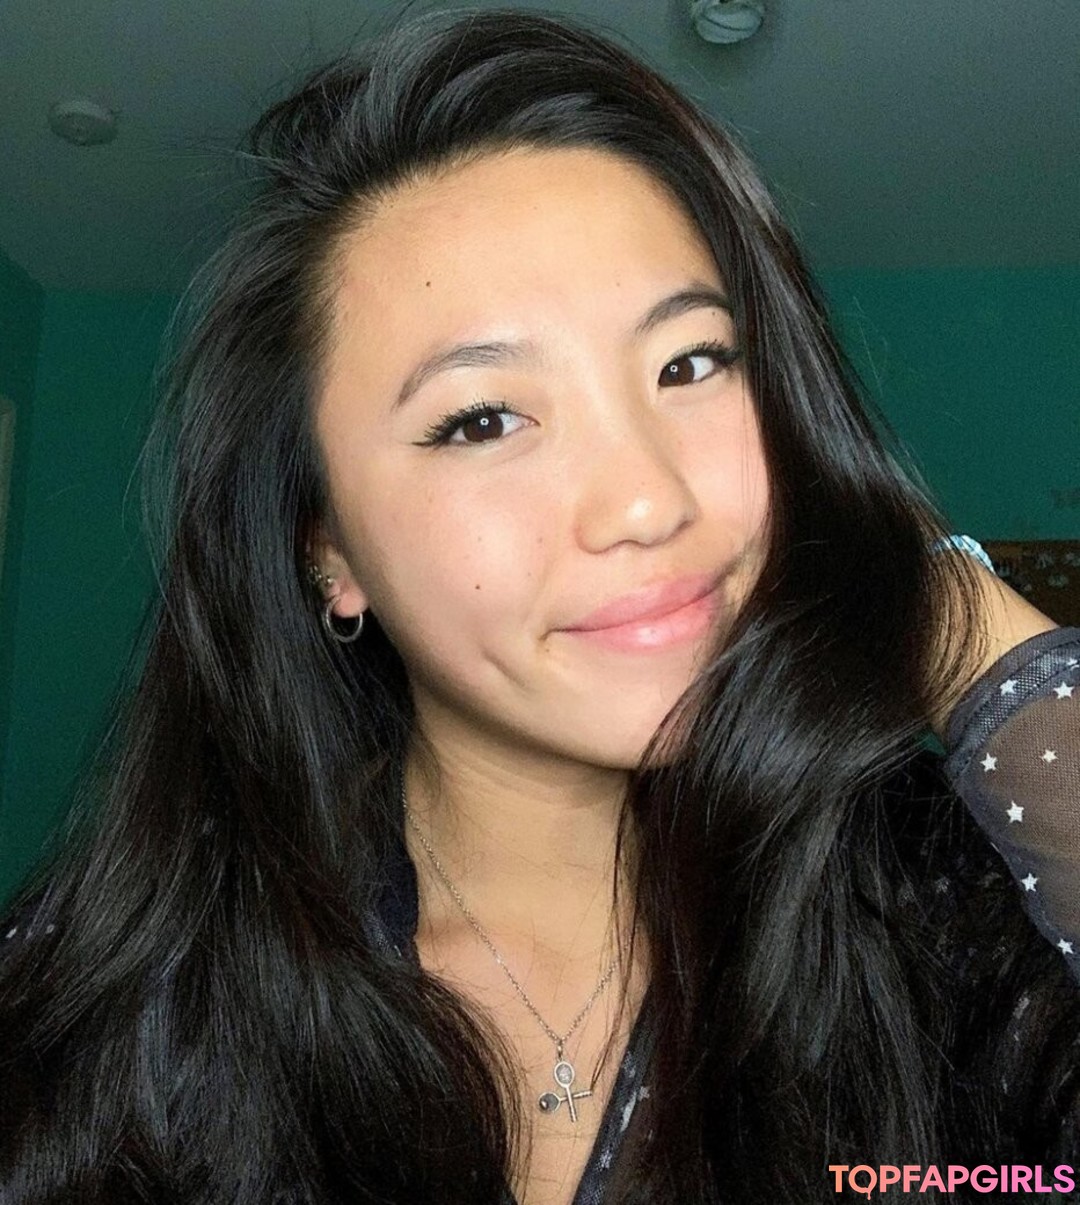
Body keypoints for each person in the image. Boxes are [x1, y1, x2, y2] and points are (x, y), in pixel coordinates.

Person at [1, 9, 1077, 1204]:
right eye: (482, 419)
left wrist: (941, 609)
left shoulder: (945, 904)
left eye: (691, 363)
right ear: (328, 552)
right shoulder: (130, 996)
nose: (647, 499)